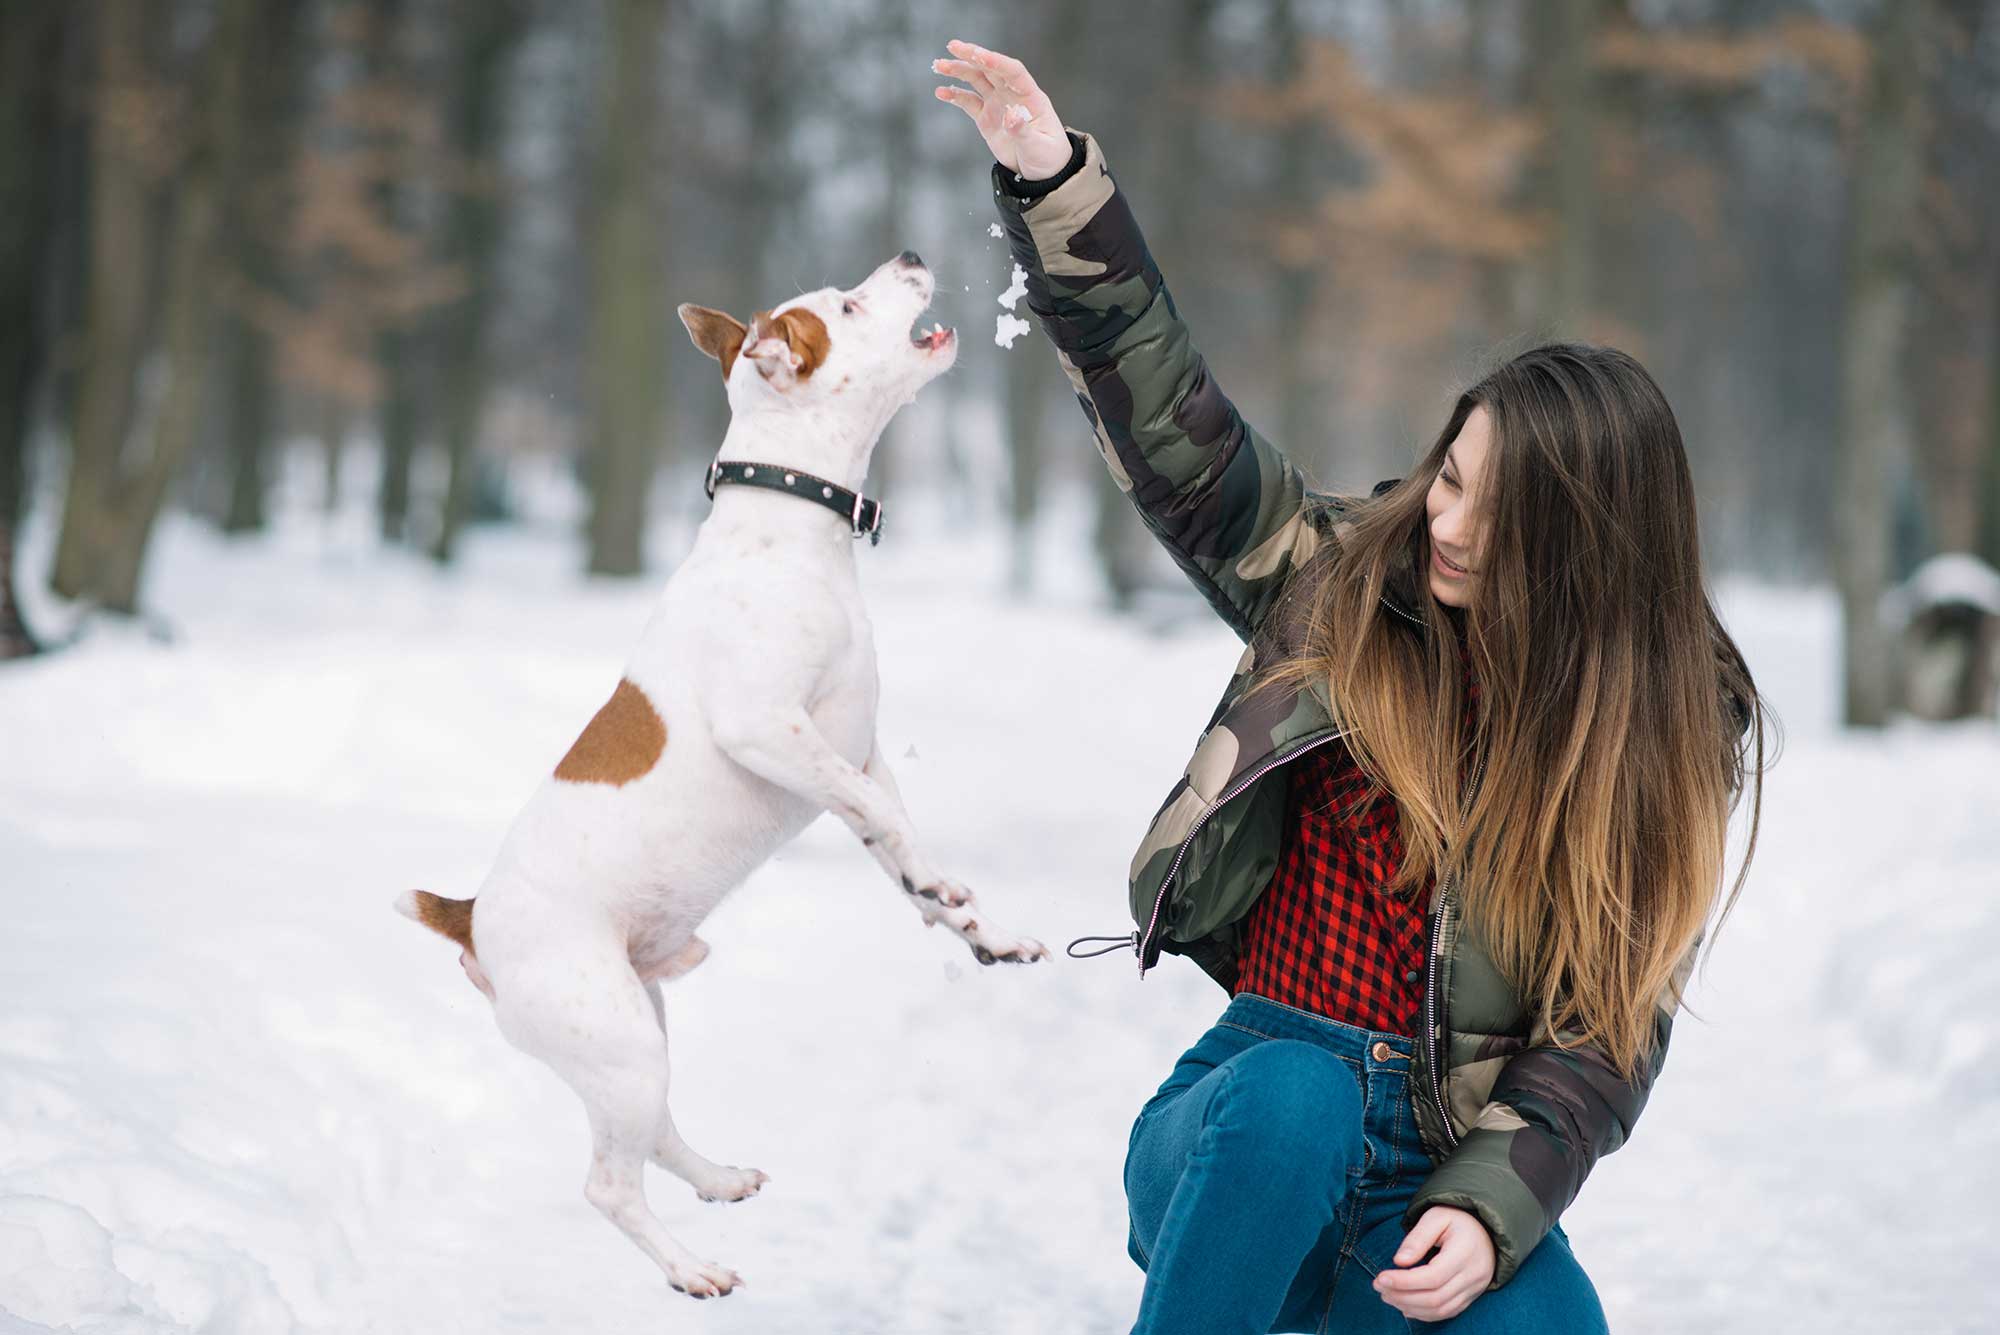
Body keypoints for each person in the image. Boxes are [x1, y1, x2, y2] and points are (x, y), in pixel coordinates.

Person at [933, 38, 1770, 1335]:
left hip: (1421, 1174)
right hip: (1245, 1125)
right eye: (1452, 479)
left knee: (1556, 1327)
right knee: (1297, 1099)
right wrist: (1058, 192)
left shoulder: (1655, 732)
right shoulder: (1335, 582)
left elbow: (1611, 1023)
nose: (1448, 526)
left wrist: (1492, 1205)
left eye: (1501, 522)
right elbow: (1176, 429)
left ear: (1590, 555)